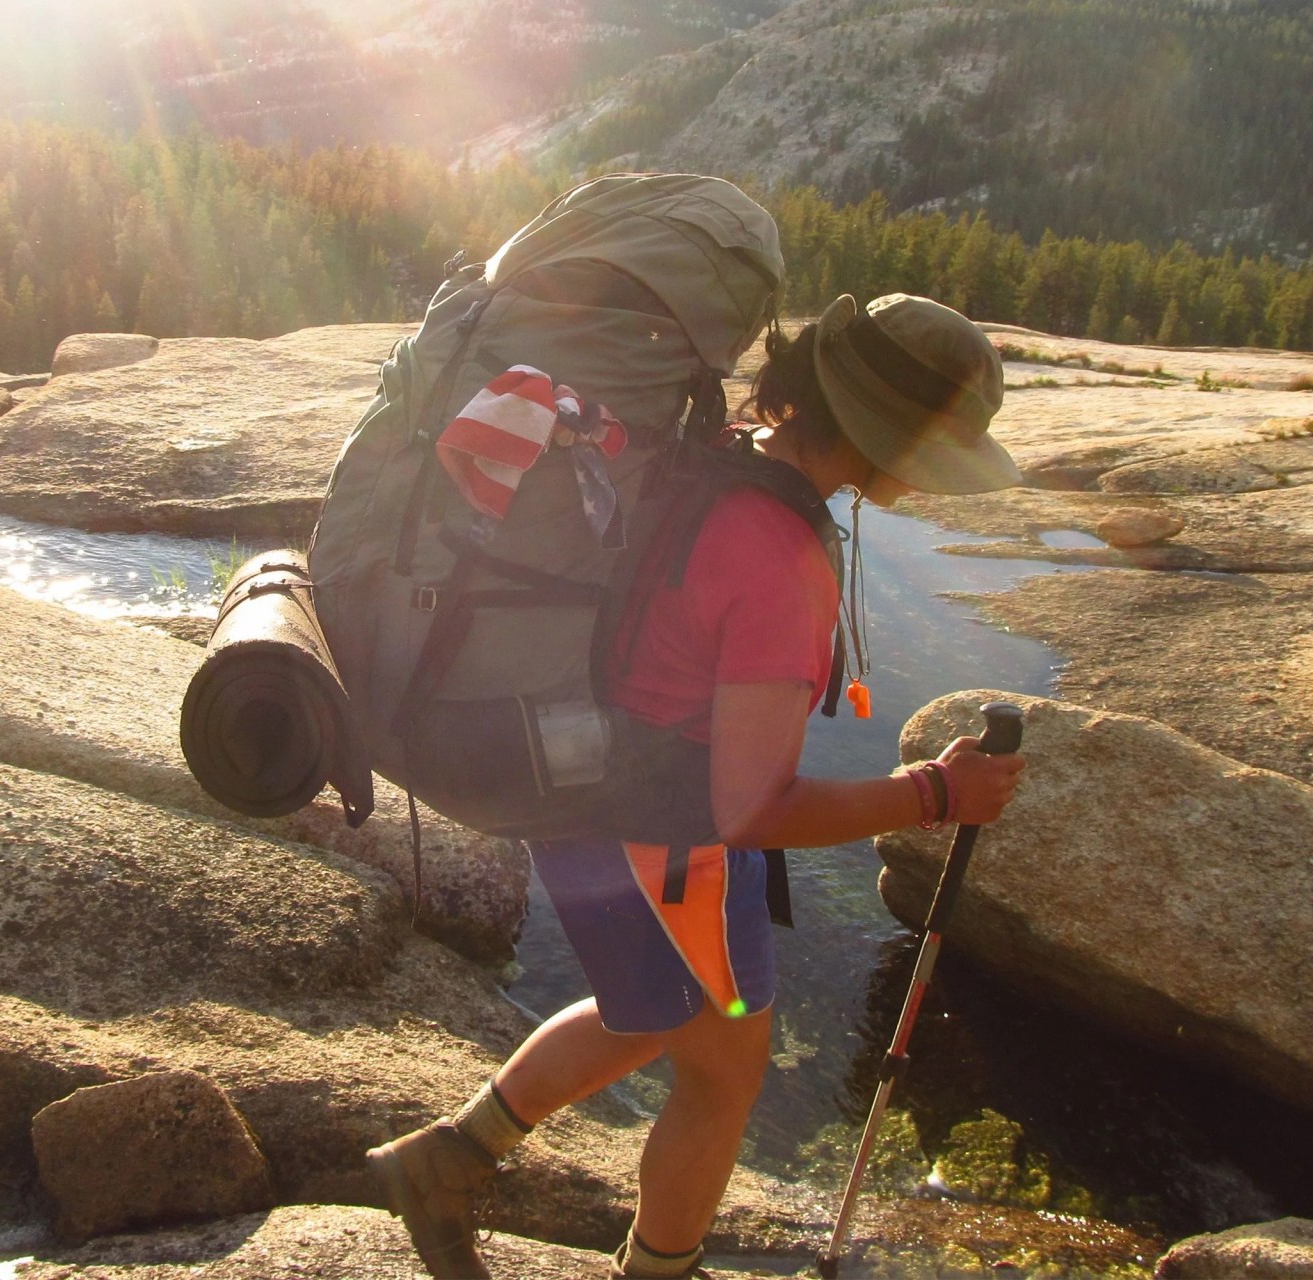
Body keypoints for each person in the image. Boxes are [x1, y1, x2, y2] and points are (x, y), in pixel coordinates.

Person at [367, 292, 1029, 1279]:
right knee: (722, 1075)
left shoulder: (720, 455)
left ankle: (447, 1160)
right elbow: (754, 808)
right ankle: (651, 1268)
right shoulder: (780, 556)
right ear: (883, 433)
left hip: (583, 787)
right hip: (667, 839)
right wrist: (936, 793)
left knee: (653, 1013)